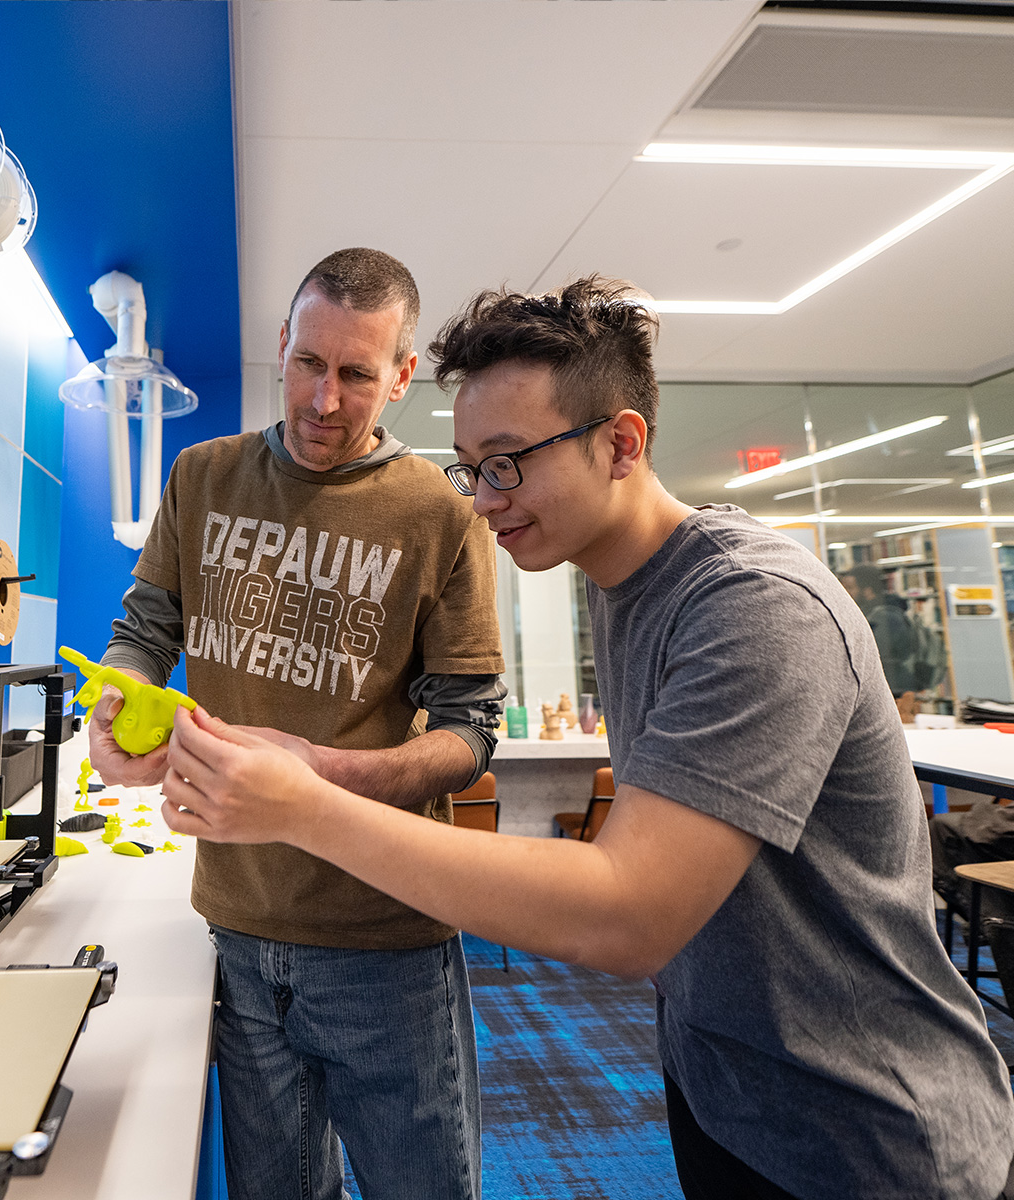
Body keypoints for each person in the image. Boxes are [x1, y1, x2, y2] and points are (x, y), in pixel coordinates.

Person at [159, 276, 1014, 1200]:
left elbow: (626, 913)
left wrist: (307, 803)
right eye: (472, 466)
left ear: (621, 443)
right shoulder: (624, 592)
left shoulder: (756, 607)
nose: (483, 501)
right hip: (727, 1095)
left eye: (508, 462)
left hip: (868, 1131)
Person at [89, 247, 506, 1200]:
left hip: (385, 942)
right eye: (309, 363)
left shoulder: (442, 515)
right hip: (236, 930)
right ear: (281, 343)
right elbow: (143, 634)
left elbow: (471, 733)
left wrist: (315, 773)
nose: (325, 399)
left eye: (358, 375)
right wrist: (118, 702)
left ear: (401, 375)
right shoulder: (202, 476)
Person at [839, 563, 918, 697]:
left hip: (892, 688)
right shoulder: (870, 614)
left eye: (850, 588)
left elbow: (873, 657)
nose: (845, 593)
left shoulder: (885, 618)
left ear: (867, 590)